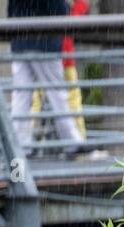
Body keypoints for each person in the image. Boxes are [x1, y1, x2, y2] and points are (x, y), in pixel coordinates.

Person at [8, 0, 85, 151]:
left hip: (20, 42)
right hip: (44, 43)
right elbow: (59, 10)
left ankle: (19, 144)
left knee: (21, 95)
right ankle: (71, 142)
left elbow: (11, 11)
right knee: (57, 93)